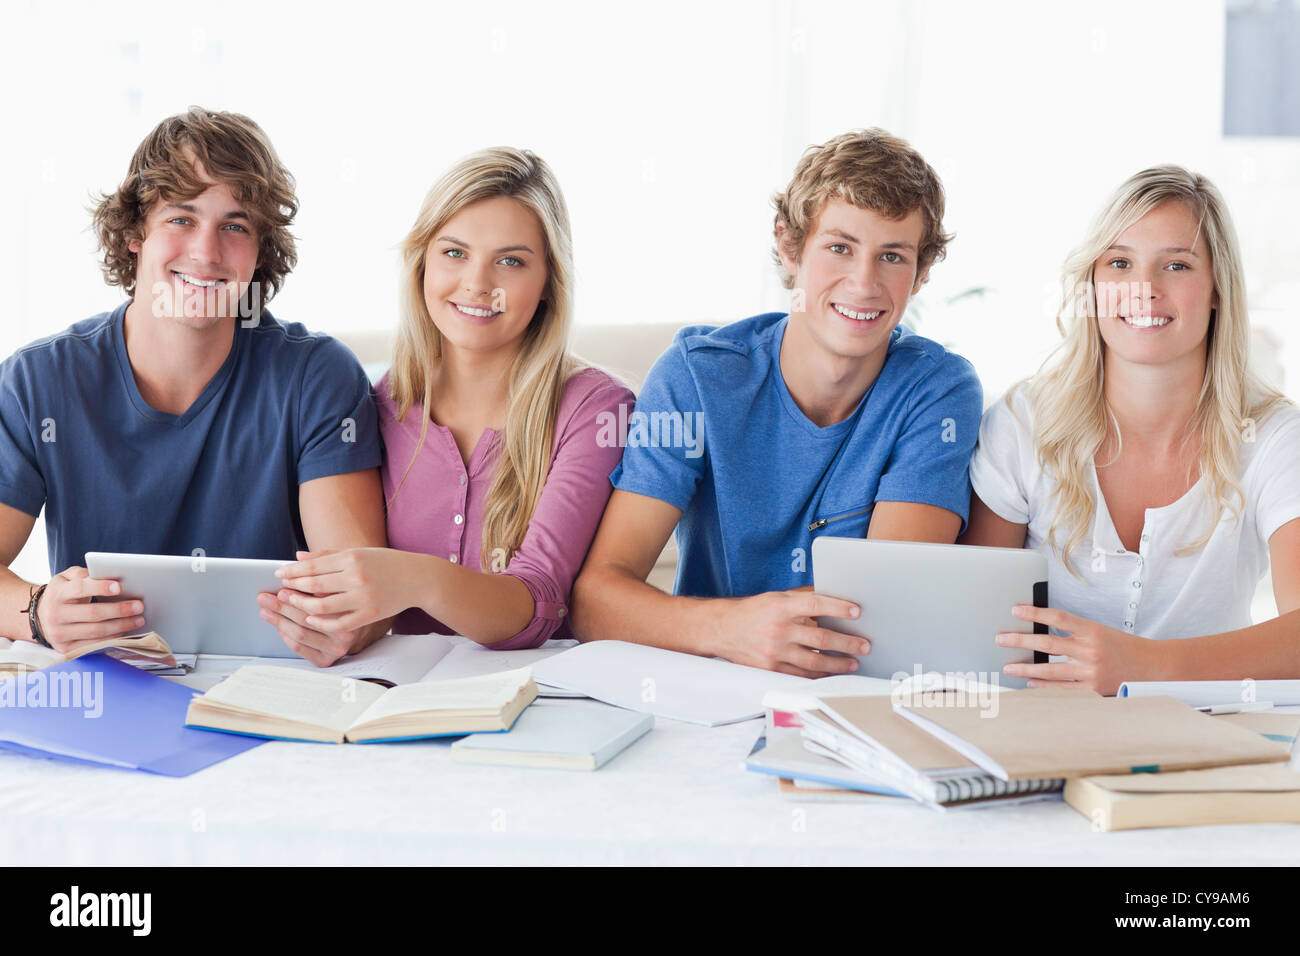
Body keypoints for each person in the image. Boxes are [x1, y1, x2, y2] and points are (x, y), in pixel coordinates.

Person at [569, 128, 984, 676]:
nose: (863, 283)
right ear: (791, 248)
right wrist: (729, 629)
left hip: (851, 687)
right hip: (707, 677)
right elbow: (595, 600)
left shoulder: (939, 391)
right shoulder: (697, 377)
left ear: (923, 271)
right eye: (840, 248)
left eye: (892, 257)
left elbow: (890, 608)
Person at [0, 107, 387, 666]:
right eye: (181, 219)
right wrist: (35, 612)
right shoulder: (36, 383)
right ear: (136, 235)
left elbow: (357, 585)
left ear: (259, 253)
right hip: (113, 680)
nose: (206, 252)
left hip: (273, 684)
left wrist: (352, 626)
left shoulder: (317, 377)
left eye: (234, 226)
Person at [273, 148, 634, 649]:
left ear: (549, 280)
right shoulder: (376, 405)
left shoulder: (596, 411)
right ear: (421, 264)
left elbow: (537, 604)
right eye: (454, 253)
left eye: (511, 261)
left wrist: (417, 579)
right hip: (402, 697)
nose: (478, 284)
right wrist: (329, 628)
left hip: (546, 700)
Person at [961, 165, 1300, 694]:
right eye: (1120, 263)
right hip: (1043, 728)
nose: (1144, 289)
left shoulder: (1274, 436)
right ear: (1093, 286)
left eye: (1177, 265)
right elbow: (972, 623)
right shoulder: (1024, 421)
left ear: (1217, 290)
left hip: (1209, 741)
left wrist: (1146, 666)